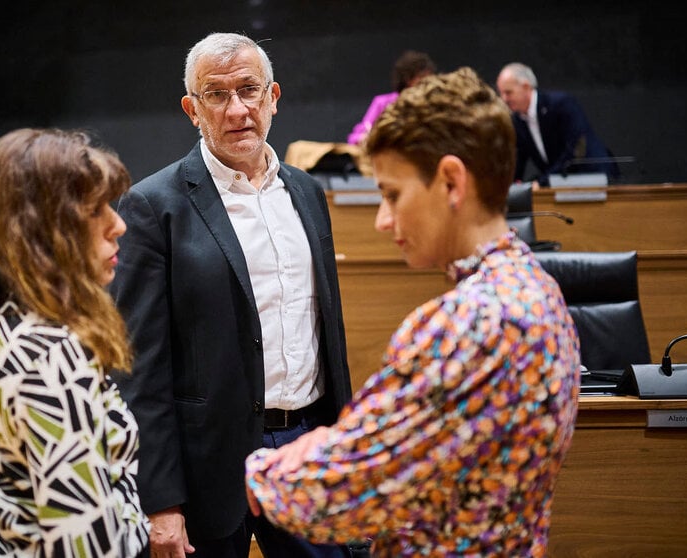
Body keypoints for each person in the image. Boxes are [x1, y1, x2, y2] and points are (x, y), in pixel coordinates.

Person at [246, 67, 582, 557]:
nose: (383, 220)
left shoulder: (465, 324)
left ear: (450, 181)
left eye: (392, 194)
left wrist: (260, 469)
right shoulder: (541, 289)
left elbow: (341, 491)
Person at [109, 32, 356, 558]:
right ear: (192, 109)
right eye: (216, 95)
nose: (237, 109)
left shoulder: (308, 194)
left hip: (307, 444)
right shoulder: (154, 206)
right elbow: (139, 368)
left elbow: (327, 335)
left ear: (274, 97)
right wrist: (160, 501)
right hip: (207, 465)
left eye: (249, 90)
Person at [0, 128, 149, 557]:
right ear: (41, 231)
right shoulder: (51, 358)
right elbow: (88, 548)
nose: (118, 224)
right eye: (94, 210)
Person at [495, 62, 619, 185]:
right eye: (501, 93)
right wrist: (508, 189)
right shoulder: (517, 121)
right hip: (560, 184)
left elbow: (577, 149)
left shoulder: (560, 104)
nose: (504, 99)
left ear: (526, 87)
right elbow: (518, 160)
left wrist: (542, 182)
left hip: (594, 177)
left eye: (508, 92)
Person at [346, 50, 436, 146]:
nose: (426, 81)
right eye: (421, 77)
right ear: (407, 79)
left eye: (429, 77)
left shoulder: (433, 104)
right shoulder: (383, 103)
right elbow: (358, 136)